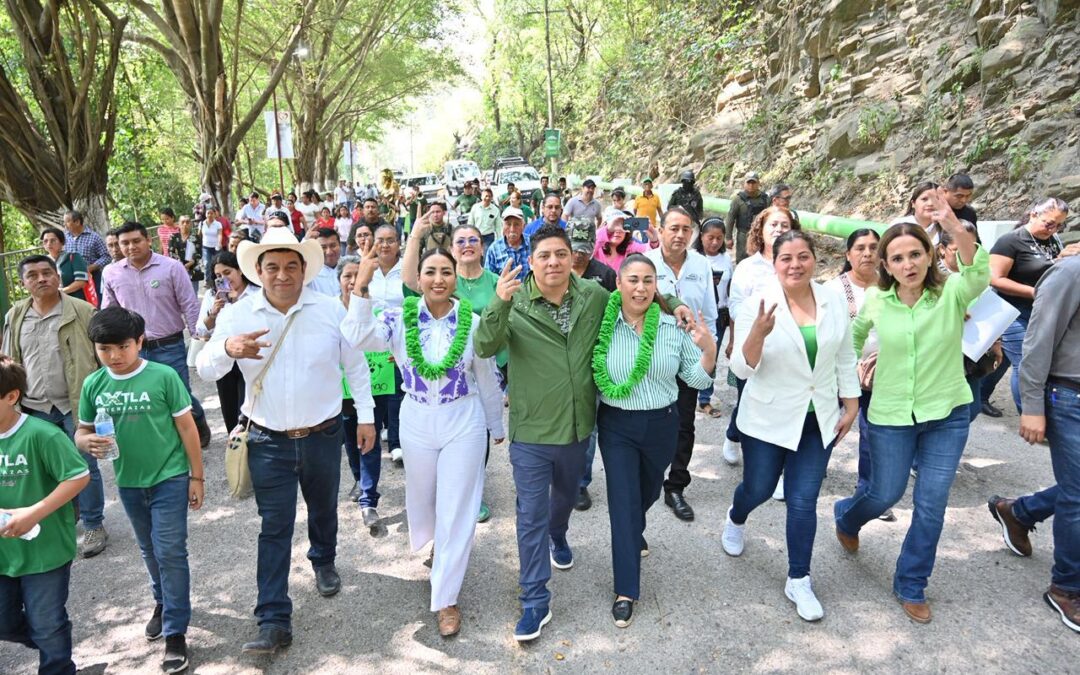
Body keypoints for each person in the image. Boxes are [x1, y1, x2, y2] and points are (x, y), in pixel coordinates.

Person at [474, 225, 692, 641]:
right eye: (544, 256)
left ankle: (560, 532)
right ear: (531, 262)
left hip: (578, 430)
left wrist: (676, 303)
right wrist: (498, 304)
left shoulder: (593, 295)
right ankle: (534, 601)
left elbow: (637, 293)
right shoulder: (513, 299)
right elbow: (485, 346)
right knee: (530, 515)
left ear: (570, 257)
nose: (553, 262)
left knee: (564, 499)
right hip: (532, 432)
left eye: (560, 254)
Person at [196, 228, 375, 655]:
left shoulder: (330, 309)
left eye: (290, 266)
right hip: (267, 440)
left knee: (323, 508)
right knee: (274, 527)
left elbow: (356, 365)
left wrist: (366, 417)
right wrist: (227, 347)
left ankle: (324, 558)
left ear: (304, 270)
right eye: (272, 267)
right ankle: (273, 620)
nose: (281, 275)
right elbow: (203, 368)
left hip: (324, 435)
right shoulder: (239, 315)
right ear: (258, 271)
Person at [833, 191, 989, 624]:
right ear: (885, 265)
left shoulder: (953, 293)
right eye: (897, 258)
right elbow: (851, 343)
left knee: (931, 503)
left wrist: (955, 225)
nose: (908, 264)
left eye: (915, 254)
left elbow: (979, 271)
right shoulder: (876, 301)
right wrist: (851, 378)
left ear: (930, 256)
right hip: (891, 415)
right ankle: (846, 516)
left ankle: (911, 583)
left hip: (948, 415)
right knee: (885, 492)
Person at [343, 246, 505, 637]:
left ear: (455, 279)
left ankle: (446, 598)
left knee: (458, 504)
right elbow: (357, 336)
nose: (438, 279)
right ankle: (438, 546)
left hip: (463, 419)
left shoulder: (474, 320)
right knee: (425, 496)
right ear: (417, 280)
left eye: (446, 272)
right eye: (430, 272)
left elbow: (485, 373)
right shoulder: (399, 318)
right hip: (415, 418)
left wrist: (496, 424)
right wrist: (362, 284)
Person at [723, 231, 860, 622]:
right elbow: (741, 369)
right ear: (775, 261)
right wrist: (757, 335)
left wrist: (850, 400)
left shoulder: (832, 297)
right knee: (759, 488)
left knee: (803, 500)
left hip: (818, 418)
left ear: (815, 259)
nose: (795, 265)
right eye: (786, 258)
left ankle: (798, 578)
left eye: (803, 256)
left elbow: (844, 353)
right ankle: (736, 516)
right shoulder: (758, 303)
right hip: (767, 418)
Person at [75, 306, 204, 673]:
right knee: (149, 549)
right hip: (129, 482)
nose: (114, 356)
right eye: (105, 349)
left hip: (171, 477)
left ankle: (175, 631)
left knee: (170, 550)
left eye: (123, 346)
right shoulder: (93, 384)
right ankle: (162, 601)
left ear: (140, 342)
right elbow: (81, 431)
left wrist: (197, 477)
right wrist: (86, 444)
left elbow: (187, 429)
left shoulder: (163, 376)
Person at [593, 254, 716, 627]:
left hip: (662, 424)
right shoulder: (602, 327)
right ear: (619, 284)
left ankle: (635, 529)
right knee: (623, 501)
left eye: (648, 280)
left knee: (645, 493)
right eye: (633, 279)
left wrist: (708, 349)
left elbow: (696, 380)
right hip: (616, 425)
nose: (641, 287)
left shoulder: (670, 328)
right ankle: (626, 588)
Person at [3, 255, 105, 558]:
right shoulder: (16, 315)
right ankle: (56, 519)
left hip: (73, 405)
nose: (41, 278)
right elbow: (9, 359)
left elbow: (100, 360)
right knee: (41, 470)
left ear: (58, 277)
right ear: (23, 282)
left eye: (47, 273)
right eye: (32, 275)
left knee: (85, 465)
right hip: (33, 407)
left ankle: (94, 524)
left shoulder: (83, 311)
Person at [403, 221, 503, 521]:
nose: (468, 244)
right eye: (461, 241)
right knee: (428, 482)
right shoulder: (418, 305)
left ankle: (471, 491)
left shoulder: (490, 288)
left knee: (466, 459)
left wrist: (496, 421)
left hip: (479, 371)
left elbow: (502, 325)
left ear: (482, 246)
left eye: (474, 239)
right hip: (424, 402)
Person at [0, 357, 90, 675]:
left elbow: (79, 476)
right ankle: (51, 643)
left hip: (45, 551)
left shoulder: (43, 435)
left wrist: (34, 513)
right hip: (3, 553)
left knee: (47, 621)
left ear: (12, 396)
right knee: (5, 622)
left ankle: (58, 663)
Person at [1012, 254, 1080, 633]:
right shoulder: (1070, 273)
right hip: (1068, 397)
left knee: (1076, 487)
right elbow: (1038, 338)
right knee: (1079, 494)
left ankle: (1021, 512)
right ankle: (1067, 586)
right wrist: (1032, 404)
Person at [101, 222, 212, 448]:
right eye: (125, 243)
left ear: (148, 240)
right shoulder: (111, 273)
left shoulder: (171, 267)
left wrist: (201, 337)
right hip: (133, 349)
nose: (131, 246)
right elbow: (109, 310)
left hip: (169, 345)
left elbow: (189, 305)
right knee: (146, 396)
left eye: (136, 241)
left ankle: (197, 421)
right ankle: (167, 442)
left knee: (180, 395)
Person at [646, 207, 719, 522]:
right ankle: (646, 477)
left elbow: (710, 312)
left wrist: (710, 351)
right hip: (653, 357)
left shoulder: (701, 264)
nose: (679, 235)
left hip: (689, 356)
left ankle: (675, 485)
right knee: (649, 420)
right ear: (660, 230)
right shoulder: (645, 263)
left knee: (684, 424)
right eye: (673, 228)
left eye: (685, 229)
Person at [824, 228, 892, 520]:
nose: (867, 253)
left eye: (873, 247)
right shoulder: (833, 290)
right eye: (860, 248)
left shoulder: (894, 287)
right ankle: (806, 474)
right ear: (848, 254)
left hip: (882, 377)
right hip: (838, 374)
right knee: (827, 425)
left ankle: (868, 496)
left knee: (872, 435)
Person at [722, 206, 798, 468]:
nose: (778, 230)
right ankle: (734, 435)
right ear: (761, 231)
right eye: (773, 225)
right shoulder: (747, 267)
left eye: (784, 226)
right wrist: (749, 329)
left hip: (790, 348)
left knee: (785, 404)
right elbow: (734, 305)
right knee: (749, 400)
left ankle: (776, 466)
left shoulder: (798, 265)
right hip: (755, 342)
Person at [988, 198, 1074, 412]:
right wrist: (1034, 292)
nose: (1053, 228)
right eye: (1049, 222)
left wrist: (1063, 259)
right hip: (1010, 310)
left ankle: (979, 396)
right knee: (1027, 361)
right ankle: (1030, 414)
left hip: (1040, 310)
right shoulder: (1010, 241)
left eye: (1059, 225)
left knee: (1008, 358)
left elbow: (1049, 270)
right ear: (1034, 214)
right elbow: (995, 279)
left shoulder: (1053, 240)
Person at [196, 251, 259, 434]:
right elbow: (201, 330)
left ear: (240, 271)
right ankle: (236, 447)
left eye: (227, 272)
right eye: (218, 276)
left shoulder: (257, 293)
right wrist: (213, 313)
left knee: (248, 408)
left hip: (250, 357)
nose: (223, 278)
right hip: (224, 358)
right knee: (230, 409)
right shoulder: (213, 296)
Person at [694, 218, 734, 418]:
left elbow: (730, 289)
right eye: (710, 238)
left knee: (712, 356)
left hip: (720, 314)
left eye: (719, 238)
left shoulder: (726, 259)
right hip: (697, 315)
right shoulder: (692, 258)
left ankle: (704, 399)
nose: (715, 242)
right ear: (701, 237)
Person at [724, 172, 768, 262]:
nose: (751, 185)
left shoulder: (765, 199)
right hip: (743, 235)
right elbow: (730, 218)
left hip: (760, 235)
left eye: (753, 183)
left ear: (758, 183)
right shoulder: (738, 200)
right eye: (749, 183)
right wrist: (728, 237)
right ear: (744, 184)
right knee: (742, 260)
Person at [61, 210, 110, 291]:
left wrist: (90, 268)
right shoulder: (65, 238)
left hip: (92, 278)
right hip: (71, 279)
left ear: (77, 222)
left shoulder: (94, 237)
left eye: (67, 221)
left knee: (93, 302)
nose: (64, 224)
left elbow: (106, 256)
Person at [40, 228, 89, 302]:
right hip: (52, 303)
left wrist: (61, 292)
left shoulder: (73, 257)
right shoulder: (43, 262)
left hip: (74, 301)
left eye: (53, 240)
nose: (49, 244)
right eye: (45, 241)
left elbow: (81, 282)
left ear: (62, 242)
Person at [568, 219, 616, 292]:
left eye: (583, 252)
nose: (578, 255)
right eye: (574, 250)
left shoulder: (606, 274)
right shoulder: (555, 270)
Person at [484, 208, 530, 282]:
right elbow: (488, 280)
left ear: (523, 226)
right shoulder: (494, 249)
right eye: (508, 224)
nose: (512, 229)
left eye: (516, 224)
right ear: (503, 226)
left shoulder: (533, 243)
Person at [168, 216, 203, 295]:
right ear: (178, 224)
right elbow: (170, 253)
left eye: (187, 222)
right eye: (182, 222)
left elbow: (199, 253)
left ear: (190, 224)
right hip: (177, 269)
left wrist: (189, 264)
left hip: (192, 269)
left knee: (193, 293)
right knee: (179, 294)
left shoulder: (196, 237)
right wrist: (180, 265)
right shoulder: (173, 237)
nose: (185, 224)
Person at [307, 229, 344, 296]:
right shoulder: (310, 272)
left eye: (333, 246)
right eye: (323, 247)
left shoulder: (350, 265)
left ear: (340, 245)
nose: (329, 252)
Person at [201, 206, 225, 281]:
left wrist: (219, 242)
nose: (210, 215)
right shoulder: (202, 224)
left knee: (218, 263)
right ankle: (208, 280)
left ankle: (219, 279)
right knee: (207, 263)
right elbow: (199, 235)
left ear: (215, 214)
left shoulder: (218, 224)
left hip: (216, 247)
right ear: (205, 214)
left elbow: (220, 234)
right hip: (206, 247)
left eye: (211, 213)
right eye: (208, 213)